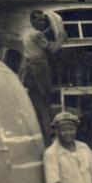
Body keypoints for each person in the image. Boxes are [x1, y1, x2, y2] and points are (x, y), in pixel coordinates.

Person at [22, 10, 66, 142]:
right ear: (32, 20)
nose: (42, 23)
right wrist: (60, 39)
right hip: (40, 68)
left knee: (37, 105)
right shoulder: (36, 35)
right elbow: (52, 50)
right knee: (45, 105)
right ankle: (47, 138)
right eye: (39, 20)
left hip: (30, 69)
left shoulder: (26, 32)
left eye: (44, 21)